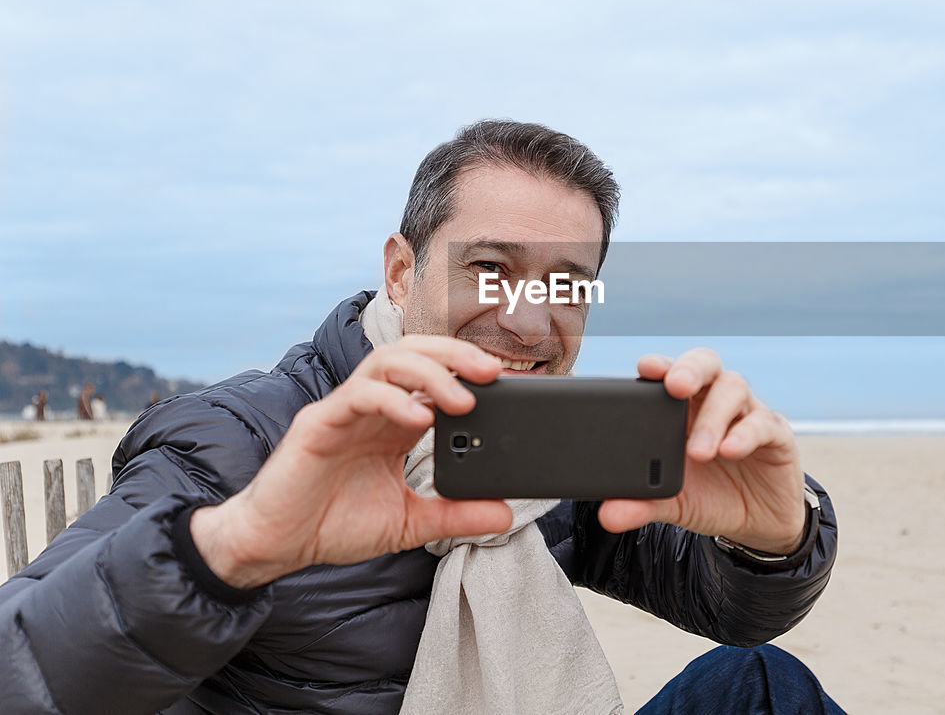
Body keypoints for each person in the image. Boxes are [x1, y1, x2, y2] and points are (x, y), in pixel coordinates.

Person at [0, 121, 841, 714]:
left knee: (763, 683)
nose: (529, 321)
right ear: (400, 272)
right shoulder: (239, 438)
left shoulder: (539, 445)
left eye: (566, 284)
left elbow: (730, 612)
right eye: (489, 266)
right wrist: (242, 544)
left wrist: (774, 540)